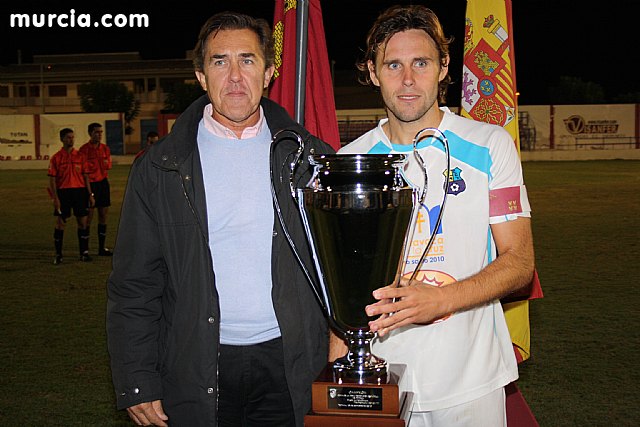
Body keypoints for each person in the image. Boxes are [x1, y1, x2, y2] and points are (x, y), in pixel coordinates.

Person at [106, 11, 333, 427]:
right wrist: (137, 379)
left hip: (290, 365)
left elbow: (337, 274)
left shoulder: (311, 159)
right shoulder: (160, 167)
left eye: (247, 60)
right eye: (219, 61)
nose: (234, 76)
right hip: (196, 365)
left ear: (268, 73)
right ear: (200, 75)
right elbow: (135, 283)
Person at [332, 5, 535, 427]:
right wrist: (340, 377)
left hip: (470, 383)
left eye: (421, 63)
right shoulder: (349, 162)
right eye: (393, 65)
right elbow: (341, 287)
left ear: (444, 67)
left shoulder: (489, 145)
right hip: (381, 381)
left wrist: (438, 300)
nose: (407, 80)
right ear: (371, 71)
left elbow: (519, 264)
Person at [47, 128, 94, 264]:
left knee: (83, 222)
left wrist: (90, 194)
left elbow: (86, 177)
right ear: (62, 139)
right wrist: (55, 198)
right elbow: (52, 180)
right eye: (68, 137)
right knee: (61, 223)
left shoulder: (80, 156)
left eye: (72, 137)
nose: (71, 140)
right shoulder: (56, 158)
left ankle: (84, 253)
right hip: (64, 193)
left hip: (79, 192)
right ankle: (58, 254)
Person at [79, 122, 113, 256]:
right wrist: (88, 192)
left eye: (101, 132)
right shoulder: (84, 150)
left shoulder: (105, 148)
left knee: (103, 215)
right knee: (88, 218)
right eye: (96, 132)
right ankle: (85, 249)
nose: (99, 135)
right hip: (90, 184)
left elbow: (108, 166)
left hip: (103, 183)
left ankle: (101, 248)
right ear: (90, 133)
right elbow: (84, 172)